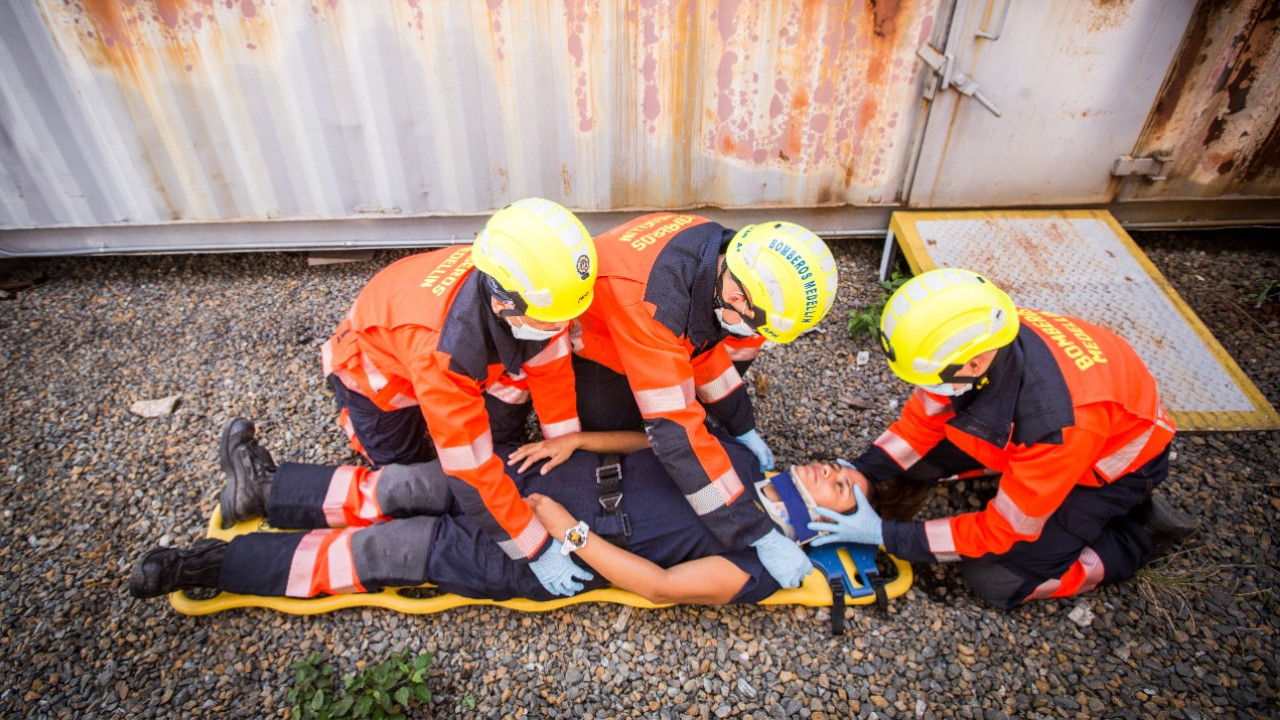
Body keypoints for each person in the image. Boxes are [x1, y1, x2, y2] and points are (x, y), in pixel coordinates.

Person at [129, 419, 864, 605]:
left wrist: (562, 529)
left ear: (826, 524)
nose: (830, 471)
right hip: (556, 477)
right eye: (836, 468)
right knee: (409, 485)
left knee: (385, 552)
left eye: (839, 487)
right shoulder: (742, 459)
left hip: (552, 548)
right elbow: (660, 438)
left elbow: (662, 587)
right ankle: (268, 491)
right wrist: (576, 440)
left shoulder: (766, 563)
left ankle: (213, 566)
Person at [807, 268, 1195, 609]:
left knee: (998, 579)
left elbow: (1003, 530)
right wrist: (861, 469)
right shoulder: (977, 331)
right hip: (1055, 434)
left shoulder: (1053, 424)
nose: (924, 390)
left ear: (974, 364)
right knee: (919, 461)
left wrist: (885, 535)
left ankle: (1139, 534)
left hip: (1106, 468)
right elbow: (922, 420)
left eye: (930, 378)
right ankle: (1015, 478)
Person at [310, 197, 596, 596]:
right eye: (551, 319)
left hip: (449, 345)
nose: (562, 327)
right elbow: (471, 471)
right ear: (502, 302)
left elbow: (553, 375)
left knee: (501, 438)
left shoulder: (532, 287)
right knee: (406, 473)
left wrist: (566, 448)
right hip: (378, 372)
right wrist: (535, 546)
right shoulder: (443, 351)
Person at [572, 212, 839, 590]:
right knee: (618, 427)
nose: (751, 337)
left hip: (636, 315)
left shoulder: (721, 253)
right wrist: (757, 534)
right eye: (755, 327)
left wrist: (741, 425)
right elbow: (675, 433)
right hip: (596, 339)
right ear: (734, 296)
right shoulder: (656, 305)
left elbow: (702, 348)